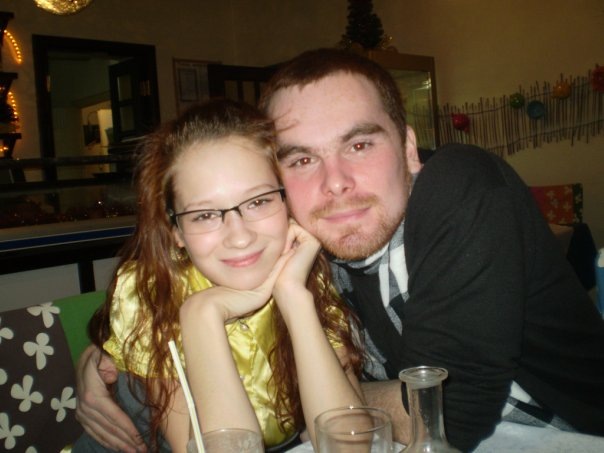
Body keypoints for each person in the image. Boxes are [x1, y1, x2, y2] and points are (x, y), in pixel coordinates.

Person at [77, 49, 604, 452]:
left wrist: (313, 396)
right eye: (302, 160)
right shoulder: (304, 242)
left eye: (359, 144)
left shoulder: (459, 186)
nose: (335, 183)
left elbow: (443, 413)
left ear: (409, 149)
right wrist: (116, 361)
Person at [73, 98, 364, 452]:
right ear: (176, 231)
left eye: (259, 201)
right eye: (205, 215)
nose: (239, 237)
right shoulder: (148, 291)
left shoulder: (305, 275)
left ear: (287, 202)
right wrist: (202, 313)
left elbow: (352, 447)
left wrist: (293, 297)